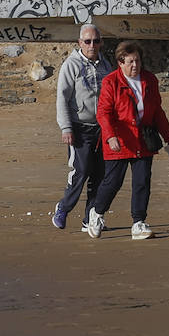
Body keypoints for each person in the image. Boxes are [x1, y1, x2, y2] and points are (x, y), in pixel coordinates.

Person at [84, 40, 169, 240]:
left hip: (144, 139)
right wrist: (110, 136)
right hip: (118, 140)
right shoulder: (111, 82)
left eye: (138, 61)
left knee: (142, 181)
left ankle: (138, 222)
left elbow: (157, 112)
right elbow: (103, 113)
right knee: (112, 182)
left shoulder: (150, 80)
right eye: (130, 62)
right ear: (120, 62)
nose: (135, 65)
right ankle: (97, 213)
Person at [51, 24, 113, 230]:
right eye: (87, 41)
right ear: (80, 43)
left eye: (96, 41)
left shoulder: (106, 65)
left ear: (101, 43)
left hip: (102, 128)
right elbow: (62, 98)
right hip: (79, 128)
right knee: (81, 170)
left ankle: (90, 219)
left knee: (100, 174)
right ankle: (63, 207)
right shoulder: (71, 65)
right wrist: (65, 127)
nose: (92, 45)